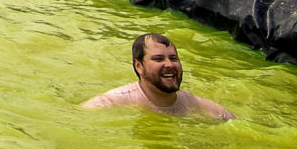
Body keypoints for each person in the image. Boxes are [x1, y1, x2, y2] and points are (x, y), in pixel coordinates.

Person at [82, 33, 235, 120]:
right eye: (158, 59)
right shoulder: (113, 101)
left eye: (173, 58)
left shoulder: (195, 104)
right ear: (138, 66)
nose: (169, 64)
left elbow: (239, 125)